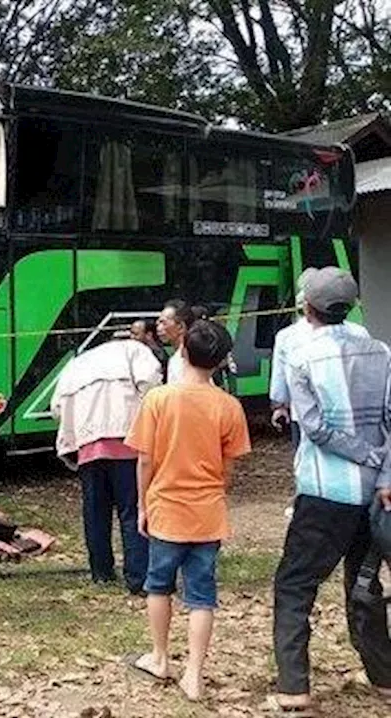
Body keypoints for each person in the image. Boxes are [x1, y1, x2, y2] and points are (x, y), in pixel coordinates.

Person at [269, 267, 391, 714]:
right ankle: (384, 678)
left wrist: (365, 455)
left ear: (307, 307)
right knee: (363, 583)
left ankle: (294, 686)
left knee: (296, 584)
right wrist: (383, 471)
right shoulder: (382, 351)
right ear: (352, 306)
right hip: (377, 496)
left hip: (324, 491)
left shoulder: (300, 355)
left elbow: (315, 429)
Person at [123, 319, 250, 702]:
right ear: (221, 360)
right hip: (208, 513)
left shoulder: (159, 399)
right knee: (201, 594)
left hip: (166, 507)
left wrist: (143, 504)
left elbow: (144, 460)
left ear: (182, 351)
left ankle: (160, 657)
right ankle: (194, 675)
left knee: (158, 586)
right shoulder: (229, 407)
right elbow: (228, 468)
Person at [52, 330, 162, 595]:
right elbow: (151, 385)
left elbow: (57, 406)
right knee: (132, 510)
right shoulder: (136, 351)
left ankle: (100, 572)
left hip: (89, 446)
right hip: (127, 441)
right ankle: (138, 577)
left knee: (95, 512)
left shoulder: (79, 362)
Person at [268, 268, 370, 450]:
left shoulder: (288, 337)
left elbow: (280, 375)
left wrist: (279, 406)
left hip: (305, 416)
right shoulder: (360, 333)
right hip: (355, 415)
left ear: (306, 306)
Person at [155, 299, 197, 385]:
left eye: (163, 323)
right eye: (158, 324)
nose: (158, 328)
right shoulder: (181, 356)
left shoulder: (183, 359)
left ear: (180, 327)